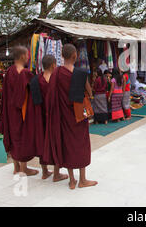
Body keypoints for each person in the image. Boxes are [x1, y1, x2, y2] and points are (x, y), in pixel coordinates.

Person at [44, 43, 97, 189]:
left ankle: (72, 180)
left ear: (62, 56)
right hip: (78, 115)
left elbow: (50, 96)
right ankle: (83, 180)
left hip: (63, 118)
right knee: (81, 145)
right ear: (76, 56)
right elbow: (89, 92)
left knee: (67, 145)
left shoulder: (56, 73)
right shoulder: (80, 73)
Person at [0, 45, 39, 176]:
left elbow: (5, 94)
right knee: (23, 137)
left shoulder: (9, 71)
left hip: (10, 111)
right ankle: (23, 168)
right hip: (22, 111)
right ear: (22, 56)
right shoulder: (25, 73)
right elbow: (29, 95)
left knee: (13, 136)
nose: (28, 58)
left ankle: (16, 167)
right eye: (27, 55)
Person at [33, 55, 69, 182]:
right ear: (54, 65)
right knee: (56, 142)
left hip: (41, 117)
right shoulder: (56, 79)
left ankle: (44, 172)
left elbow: (36, 99)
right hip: (54, 117)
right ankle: (56, 174)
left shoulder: (37, 79)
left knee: (43, 143)